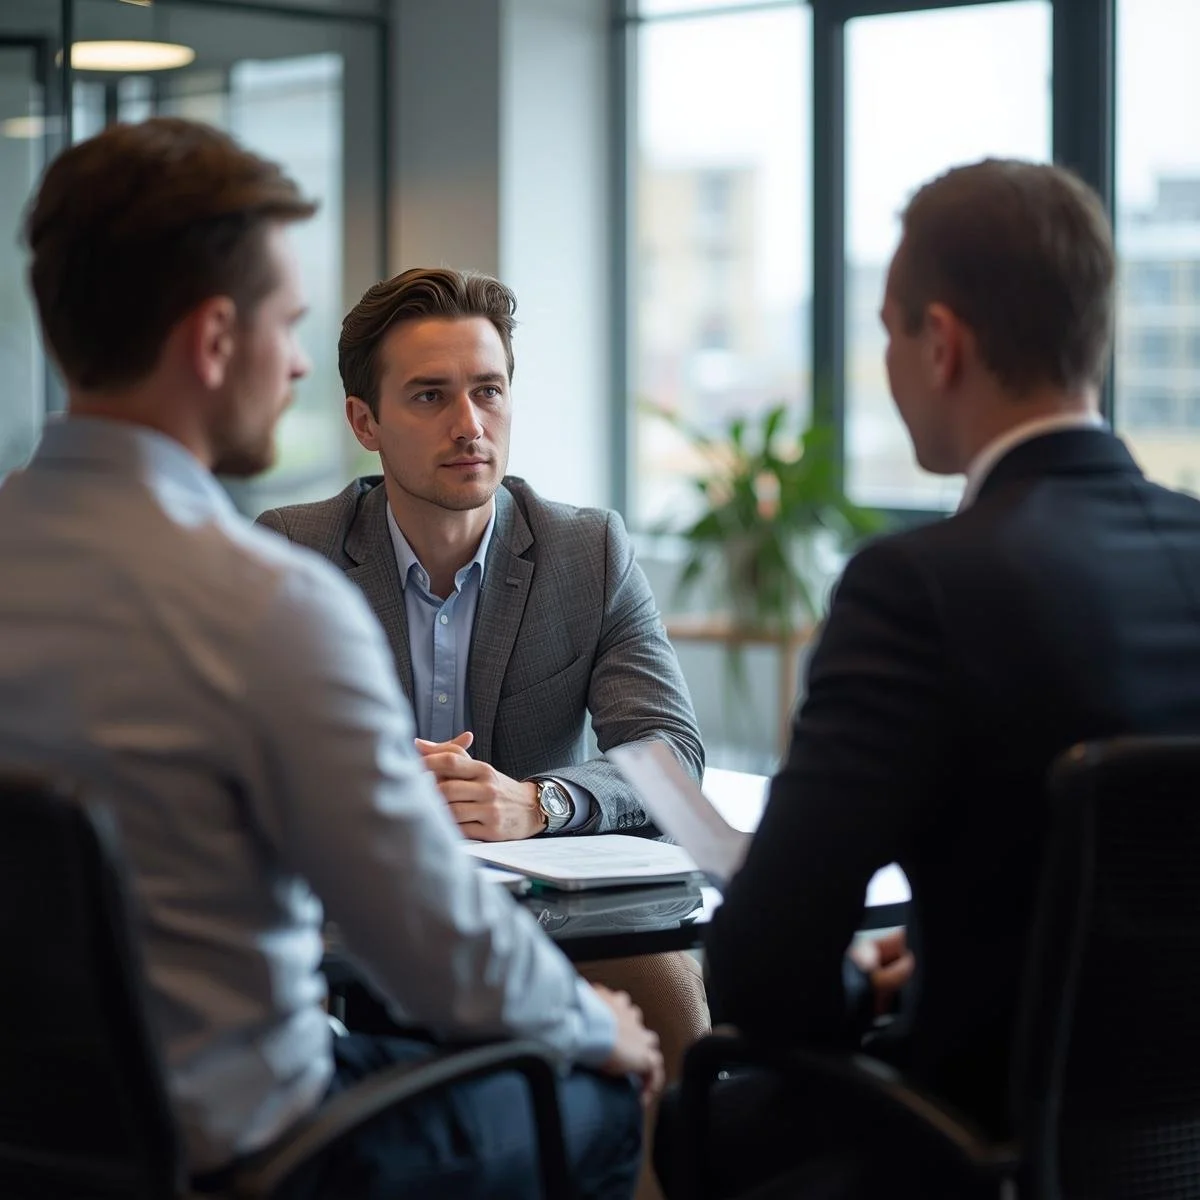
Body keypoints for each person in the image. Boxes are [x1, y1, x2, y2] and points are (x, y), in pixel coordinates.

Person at [0, 116, 661, 1200]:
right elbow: (439, 949)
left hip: (38, 1139)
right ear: (216, 341)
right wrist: (596, 1025)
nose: (299, 361)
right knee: (593, 1094)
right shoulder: (266, 602)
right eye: (288, 324)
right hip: (261, 1151)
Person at [660, 158, 1200, 1197]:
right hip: (1173, 1148)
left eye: (887, 330)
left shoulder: (921, 587)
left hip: (976, 1147)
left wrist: (864, 979)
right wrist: (970, 945)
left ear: (940, 343)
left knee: (705, 1109)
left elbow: (768, 965)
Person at [254, 269, 712, 1118]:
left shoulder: (588, 552)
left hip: (546, 927)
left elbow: (668, 756)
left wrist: (540, 801)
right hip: (344, 920)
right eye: (430, 396)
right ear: (365, 421)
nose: (470, 427)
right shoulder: (293, 553)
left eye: (487, 392)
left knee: (672, 994)